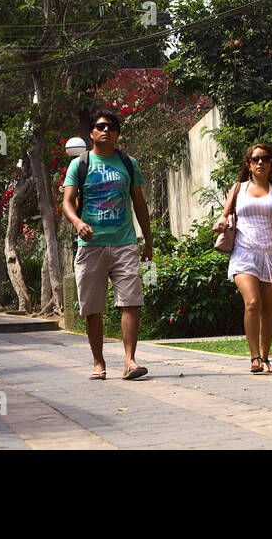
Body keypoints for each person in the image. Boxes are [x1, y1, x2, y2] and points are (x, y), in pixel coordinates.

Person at [62, 109, 153, 381]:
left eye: (112, 126)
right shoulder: (80, 164)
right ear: (91, 133)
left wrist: (148, 241)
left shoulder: (128, 163)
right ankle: (98, 362)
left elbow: (139, 203)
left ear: (117, 133)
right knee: (92, 307)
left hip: (124, 242)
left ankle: (130, 361)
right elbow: (67, 202)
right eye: (101, 126)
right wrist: (78, 223)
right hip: (91, 245)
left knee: (131, 302)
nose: (106, 130)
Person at [217, 142, 272, 374]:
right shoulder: (238, 188)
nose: (260, 162)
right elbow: (225, 215)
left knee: (268, 310)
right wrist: (221, 222)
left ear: (271, 164)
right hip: (244, 253)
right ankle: (254, 356)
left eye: (265, 159)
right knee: (253, 302)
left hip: (271, 255)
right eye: (255, 159)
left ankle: (266, 358)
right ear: (248, 164)